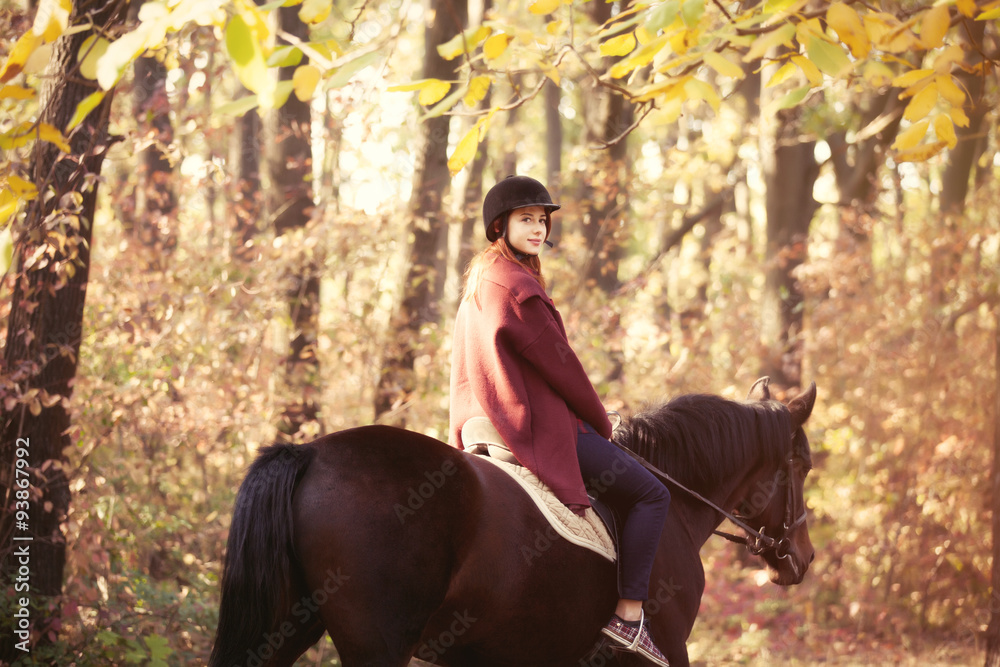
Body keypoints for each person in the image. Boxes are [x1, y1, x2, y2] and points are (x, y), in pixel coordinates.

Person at [448, 175, 671, 666]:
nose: (538, 228)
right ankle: (629, 617)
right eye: (526, 219)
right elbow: (561, 366)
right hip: (529, 426)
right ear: (499, 226)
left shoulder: (479, 285)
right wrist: (597, 419)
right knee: (653, 493)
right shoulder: (519, 287)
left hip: (481, 424)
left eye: (542, 220)